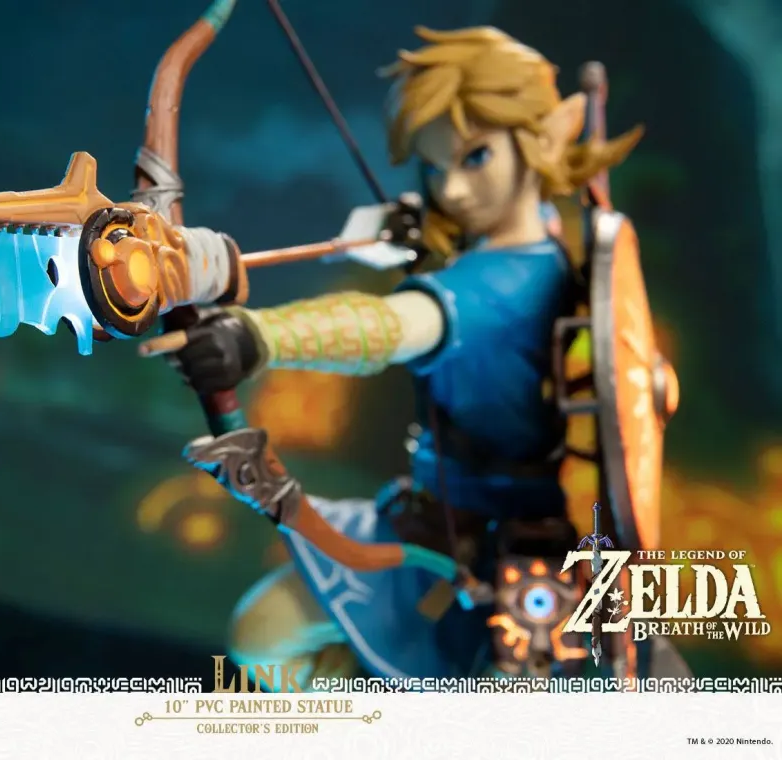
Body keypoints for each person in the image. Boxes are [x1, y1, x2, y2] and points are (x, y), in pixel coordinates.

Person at [164, 27, 643, 683]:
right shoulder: (539, 249)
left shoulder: (499, 285)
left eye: (475, 158)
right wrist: (425, 235)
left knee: (269, 635)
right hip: (436, 521)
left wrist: (257, 338)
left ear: (544, 139)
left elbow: (392, 326)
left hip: (479, 546)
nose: (454, 190)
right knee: (268, 631)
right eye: (437, 167)